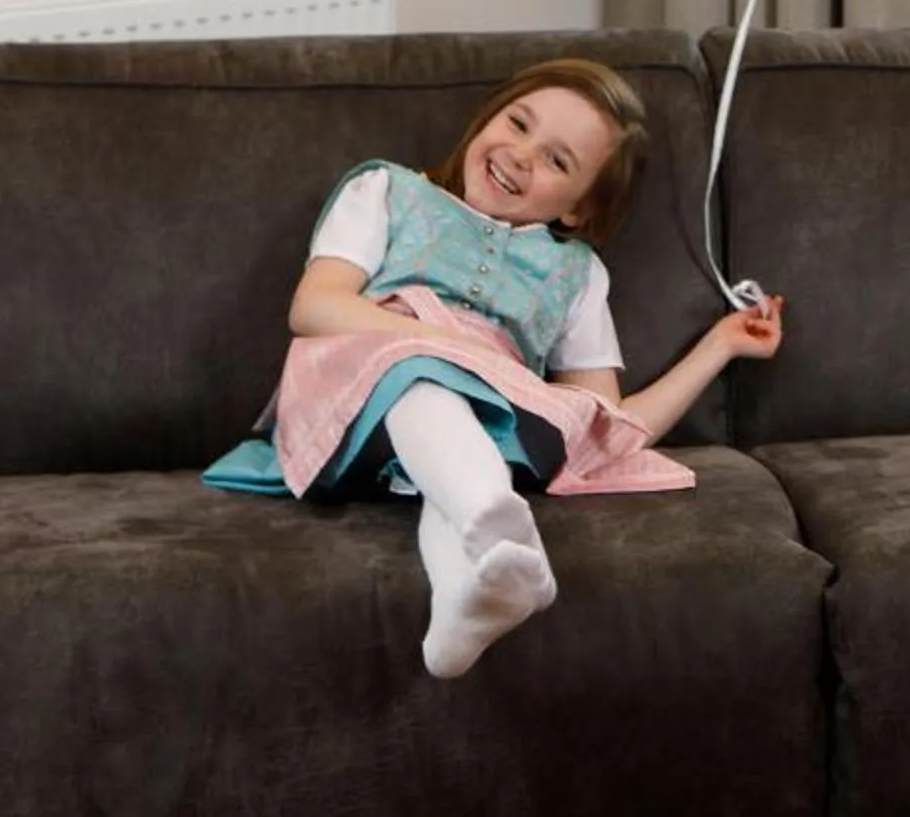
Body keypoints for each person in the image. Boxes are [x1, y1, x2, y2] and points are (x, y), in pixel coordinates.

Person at [205, 59, 785, 678]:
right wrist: (444, 343)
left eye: (558, 161)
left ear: (578, 211)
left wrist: (719, 347)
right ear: (489, 115)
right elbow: (316, 305)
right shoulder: (387, 191)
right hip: (354, 385)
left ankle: (469, 593)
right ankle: (494, 515)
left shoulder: (576, 275)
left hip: (475, 424)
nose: (520, 154)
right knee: (422, 378)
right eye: (518, 122)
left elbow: (605, 425)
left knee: (459, 439)